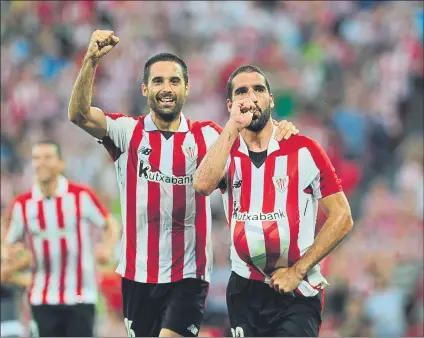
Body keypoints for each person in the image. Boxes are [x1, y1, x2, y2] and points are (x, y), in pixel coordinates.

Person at [68, 30, 299, 337]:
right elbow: (79, 115)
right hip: (138, 274)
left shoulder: (207, 136)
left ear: (187, 88)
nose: (166, 88)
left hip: (190, 275)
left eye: (174, 81)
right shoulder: (127, 132)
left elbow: (256, 155)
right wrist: (91, 60)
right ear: (145, 89)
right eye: (158, 81)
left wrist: (280, 128)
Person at [193, 65, 354, 337]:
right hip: (244, 289)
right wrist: (233, 125)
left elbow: (343, 217)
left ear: (271, 99)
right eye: (242, 91)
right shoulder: (225, 151)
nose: (251, 97)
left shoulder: (304, 149)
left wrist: (298, 270)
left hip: (297, 290)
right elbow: (202, 185)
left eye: (259, 89)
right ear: (231, 104)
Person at [3, 140, 120, 337]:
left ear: (60, 163)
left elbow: (111, 224)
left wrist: (107, 247)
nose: (42, 163)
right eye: (37, 158)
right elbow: (8, 244)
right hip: (43, 298)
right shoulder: (23, 204)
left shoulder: (80, 195)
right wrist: (10, 254)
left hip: (81, 295)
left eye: (48, 157)